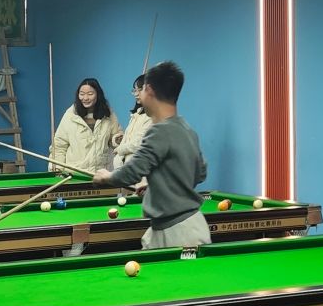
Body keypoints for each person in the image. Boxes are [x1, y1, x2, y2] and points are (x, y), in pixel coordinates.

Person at [93, 61, 208, 249]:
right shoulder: (187, 129)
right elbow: (200, 174)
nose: (138, 95)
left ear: (149, 90)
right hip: (177, 227)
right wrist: (156, 184)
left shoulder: (158, 131)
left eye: (141, 90)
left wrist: (107, 177)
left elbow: (131, 173)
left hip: (179, 233)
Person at [51, 77, 120, 175]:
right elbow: (59, 146)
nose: (85, 98)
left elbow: (115, 138)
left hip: (100, 174)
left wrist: (118, 139)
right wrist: (58, 169)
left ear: (98, 94)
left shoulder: (108, 114)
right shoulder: (70, 115)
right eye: (82, 94)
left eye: (90, 94)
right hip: (75, 175)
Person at [115, 74, 151, 166]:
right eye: (135, 90)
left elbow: (139, 143)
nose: (136, 94)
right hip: (124, 169)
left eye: (140, 90)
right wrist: (121, 140)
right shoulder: (137, 114)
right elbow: (131, 140)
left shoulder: (152, 117)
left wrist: (120, 149)